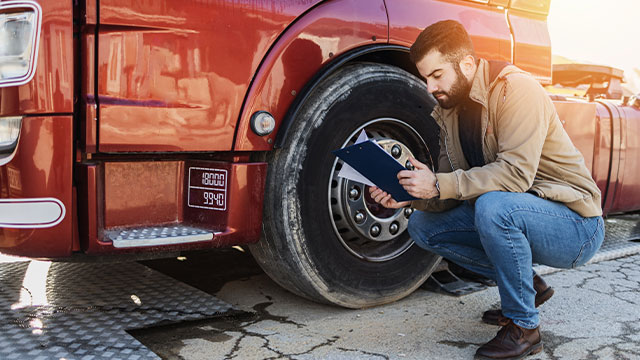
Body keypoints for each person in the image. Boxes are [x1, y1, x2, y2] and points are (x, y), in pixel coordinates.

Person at [369, 20, 604, 359]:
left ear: (465, 64)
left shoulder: (516, 89)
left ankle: (525, 327)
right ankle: (526, 289)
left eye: (436, 75)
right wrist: (413, 193)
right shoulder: (449, 111)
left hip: (576, 225)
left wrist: (438, 183)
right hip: (520, 211)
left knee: (493, 207)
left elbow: (515, 176)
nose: (429, 86)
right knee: (423, 227)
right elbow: (449, 191)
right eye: (424, 78)